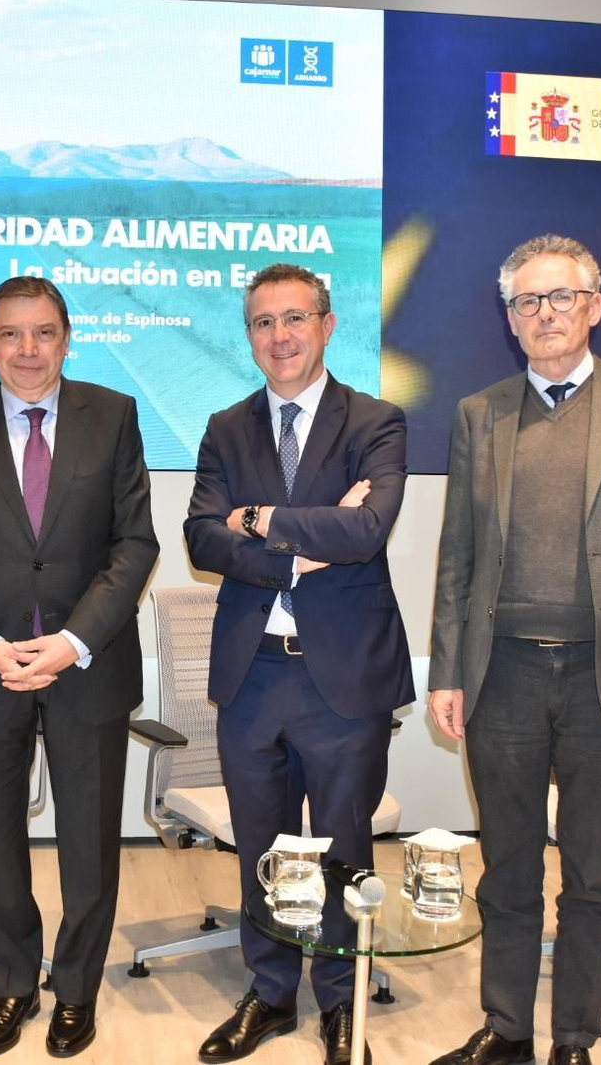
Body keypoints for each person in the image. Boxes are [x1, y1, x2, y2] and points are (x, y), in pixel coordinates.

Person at [425, 234, 601, 1065]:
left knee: (593, 873)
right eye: (527, 301)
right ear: (510, 318)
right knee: (507, 868)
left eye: (561, 297)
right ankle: (508, 1029)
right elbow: (456, 559)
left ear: (595, 306)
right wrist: (447, 671)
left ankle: (575, 1037)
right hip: (502, 677)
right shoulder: (479, 414)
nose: (544, 314)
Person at [0, 275, 158, 1058]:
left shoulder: (113, 415)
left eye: (43, 332)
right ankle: (13, 983)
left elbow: (134, 544)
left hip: (88, 665)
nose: (27, 349)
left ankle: (76, 989)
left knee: (90, 846)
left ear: (67, 339)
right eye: (11, 334)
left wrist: (72, 640)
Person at [184, 262, 414, 1065]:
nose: (279, 336)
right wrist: (299, 548)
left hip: (343, 676)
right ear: (249, 334)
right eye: (262, 322)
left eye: (294, 318)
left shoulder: (376, 421)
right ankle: (272, 991)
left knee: (344, 846)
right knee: (265, 847)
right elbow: (202, 538)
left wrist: (256, 519)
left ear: (327, 325)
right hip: (252, 671)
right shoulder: (225, 427)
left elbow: (367, 530)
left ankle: (342, 998)